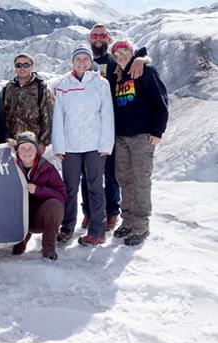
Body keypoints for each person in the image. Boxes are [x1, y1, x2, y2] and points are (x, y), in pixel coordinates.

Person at [80, 24, 151, 231]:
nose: (99, 38)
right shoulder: (85, 62)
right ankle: (89, 211)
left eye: (103, 35)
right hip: (89, 127)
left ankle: (112, 213)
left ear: (108, 38)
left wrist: (141, 58)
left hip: (112, 126)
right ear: (90, 39)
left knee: (112, 173)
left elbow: (136, 58)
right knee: (88, 172)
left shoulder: (115, 62)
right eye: (95, 35)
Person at [52, 44, 115, 246]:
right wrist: (59, 147)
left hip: (94, 145)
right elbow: (58, 118)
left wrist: (106, 144)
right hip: (70, 146)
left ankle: (97, 231)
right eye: (77, 59)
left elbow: (107, 116)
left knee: (95, 187)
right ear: (72, 62)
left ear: (91, 62)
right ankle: (67, 227)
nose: (81, 63)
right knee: (69, 188)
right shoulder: (63, 84)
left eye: (85, 59)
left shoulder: (100, 83)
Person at [110, 39, 168, 246]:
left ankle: (141, 225)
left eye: (125, 52)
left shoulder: (145, 71)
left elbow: (161, 101)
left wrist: (157, 131)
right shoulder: (117, 75)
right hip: (121, 137)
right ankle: (127, 221)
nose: (122, 55)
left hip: (142, 137)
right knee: (124, 179)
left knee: (141, 180)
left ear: (131, 53)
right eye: (118, 53)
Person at [12, 132, 66, 260]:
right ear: (17, 150)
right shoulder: (10, 166)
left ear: (36, 149)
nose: (26, 151)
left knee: (55, 206)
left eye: (30, 147)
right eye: (22, 148)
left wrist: (39, 190)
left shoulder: (47, 168)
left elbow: (62, 196)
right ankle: (20, 240)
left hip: (38, 217)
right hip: (18, 218)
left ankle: (48, 248)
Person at [2, 53, 55, 154]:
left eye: (26, 65)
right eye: (18, 65)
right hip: (14, 143)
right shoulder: (9, 88)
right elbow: (4, 115)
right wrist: (7, 137)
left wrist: (43, 142)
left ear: (32, 66)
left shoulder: (41, 88)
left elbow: (48, 117)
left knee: (34, 169)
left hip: (34, 142)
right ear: (15, 68)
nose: (22, 68)